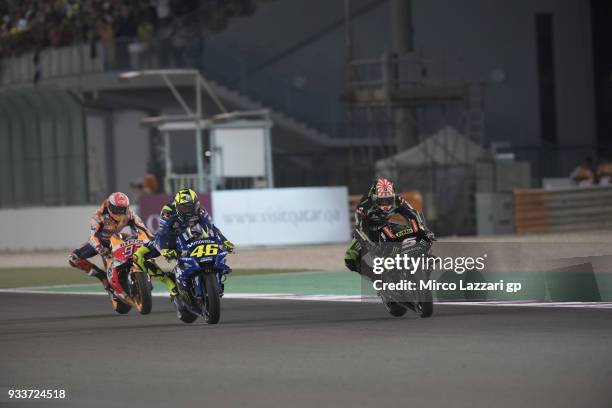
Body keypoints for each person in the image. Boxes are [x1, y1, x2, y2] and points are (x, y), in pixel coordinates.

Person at [133, 188, 234, 298]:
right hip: (171, 237)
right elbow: (163, 233)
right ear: (177, 206)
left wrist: (224, 241)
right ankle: (170, 283)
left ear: (196, 204)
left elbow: (211, 227)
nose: (188, 210)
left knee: (206, 236)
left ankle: (214, 269)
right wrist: (165, 249)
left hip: (192, 234)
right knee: (138, 256)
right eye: (184, 207)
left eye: (191, 206)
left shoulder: (199, 209)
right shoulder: (167, 211)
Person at [344, 178, 435, 277]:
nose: (386, 205)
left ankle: (422, 257)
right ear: (374, 198)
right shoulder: (364, 205)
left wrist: (423, 230)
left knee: (420, 235)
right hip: (367, 232)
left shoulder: (397, 200)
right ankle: (376, 278)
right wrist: (370, 245)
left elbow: (413, 214)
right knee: (350, 258)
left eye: (388, 200)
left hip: (385, 226)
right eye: (381, 201)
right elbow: (359, 230)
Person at [68, 192, 152, 296]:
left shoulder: (130, 214)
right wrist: (100, 249)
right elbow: (92, 236)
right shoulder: (98, 215)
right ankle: (102, 277)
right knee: (73, 259)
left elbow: (144, 229)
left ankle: (145, 271)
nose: (120, 213)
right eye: (117, 210)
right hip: (102, 242)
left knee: (146, 246)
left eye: (123, 210)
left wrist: (151, 240)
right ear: (110, 207)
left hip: (120, 239)